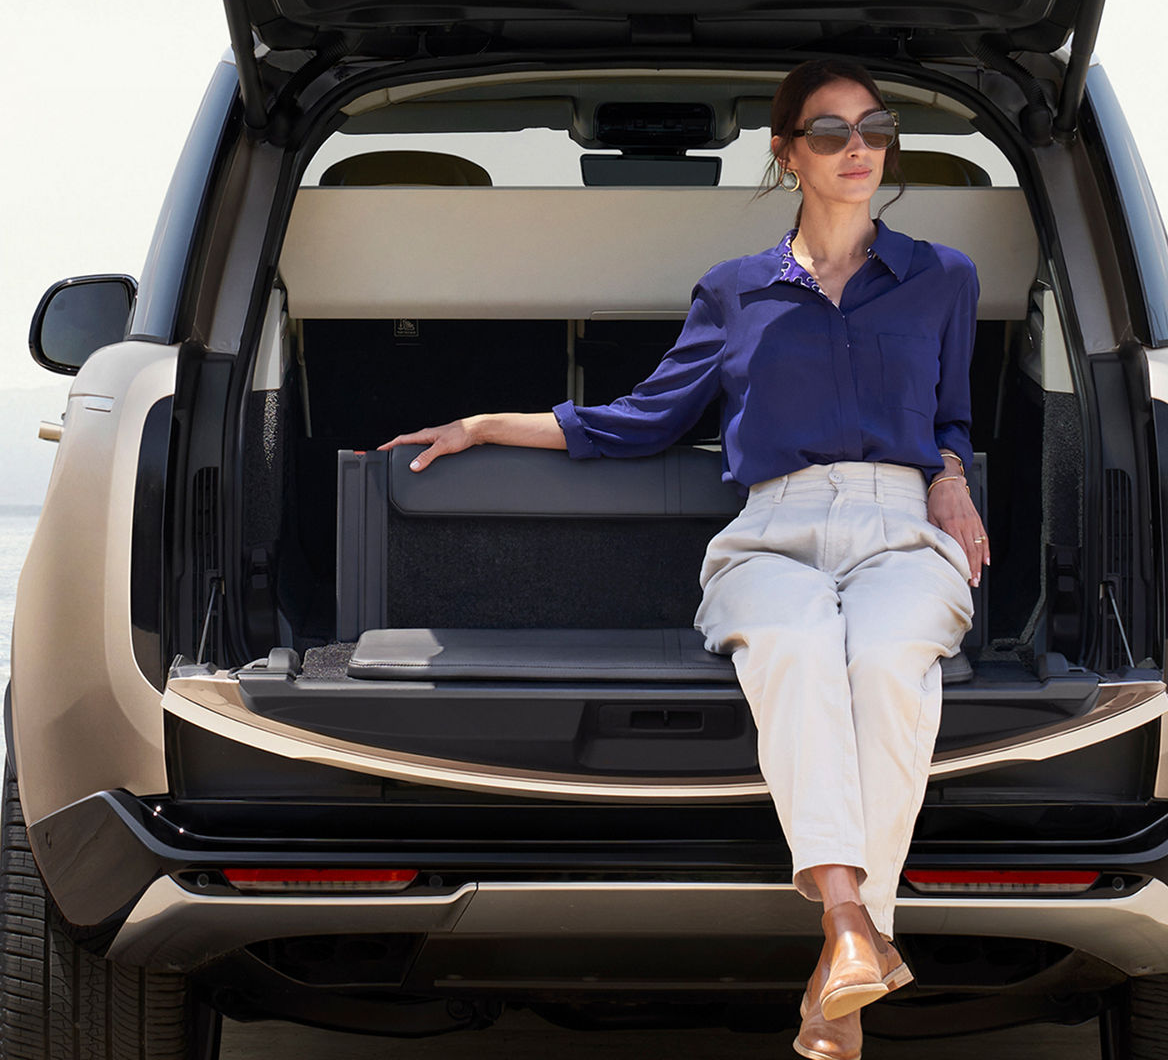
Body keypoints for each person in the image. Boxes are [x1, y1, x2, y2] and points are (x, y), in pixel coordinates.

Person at [378, 58, 990, 1060]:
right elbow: (641, 419)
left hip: (899, 525)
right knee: (795, 648)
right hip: (773, 530)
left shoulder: (943, 277)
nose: (858, 149)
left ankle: (845, 952)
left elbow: (951, 413)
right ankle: (849, 935)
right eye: (830, 132)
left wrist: (952, 474)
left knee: (887, 665)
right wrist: (485, 423)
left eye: (875, 128)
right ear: (786, 154)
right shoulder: (735, 290)